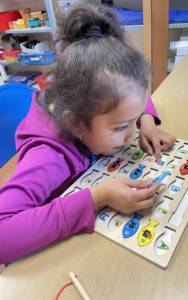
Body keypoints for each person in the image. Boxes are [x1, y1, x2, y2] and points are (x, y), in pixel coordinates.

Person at [0, 3, 175, 264]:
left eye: (133, 121)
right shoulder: (49, 157)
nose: (131, 135)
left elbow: (133, 99)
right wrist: (97, 198)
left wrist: (146, 121)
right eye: (120, 127)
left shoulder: (95, 100)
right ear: (77, 124)